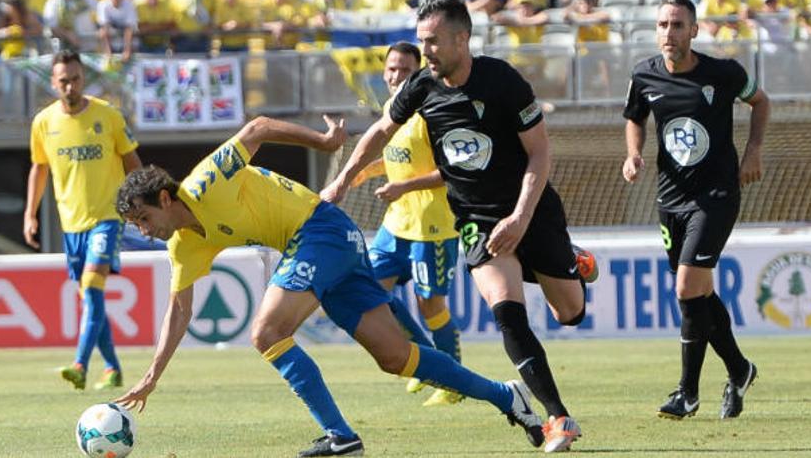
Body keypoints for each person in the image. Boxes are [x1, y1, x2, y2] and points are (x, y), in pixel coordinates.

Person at [113, 116, 545, 457]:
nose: (145, 231)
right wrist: (152, 376)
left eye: (144, 220)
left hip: (319, 230)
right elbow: (179, 311)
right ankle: (507, 396)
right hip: (326, 243)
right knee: (395, 357)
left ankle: (340, 435)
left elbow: (258, 127)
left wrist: (325, 143)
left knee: (267, 333)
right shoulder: (184, 247)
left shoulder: (205, 180)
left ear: (165, 199)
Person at [322, 0, 590, 453]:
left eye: (433, 41)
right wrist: (343, 180)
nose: (425, 51)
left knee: (570, 313)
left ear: (462, 39)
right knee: (507, 312)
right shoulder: (421, 87)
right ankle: (558, 418)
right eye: (422, 40)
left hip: (530, 209)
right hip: (477, 220)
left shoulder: (502, 81)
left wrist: (521, 218)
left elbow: (540, 152)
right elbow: (380, 131)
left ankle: (574, 262)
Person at [622, 0, 767, 420]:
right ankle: (739, 369)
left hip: (716, 195)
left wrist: (754, 151)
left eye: (678, 25)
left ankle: (687, 393)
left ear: (695, 30)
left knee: (687, 287)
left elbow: (761, 101)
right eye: (664, 25)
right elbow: (635, 116)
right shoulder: (643, 75)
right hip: (671, 199)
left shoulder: (723, 73)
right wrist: (633, 153)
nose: (670, 32)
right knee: (698, 293)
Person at [350, 41, 464, 407]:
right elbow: (404, 158)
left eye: (403, 70)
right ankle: (425, 362)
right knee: (367, 289)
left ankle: (454, 382)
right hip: (395, 224)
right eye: (391, 69)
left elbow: (450, 170)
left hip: (431, 225)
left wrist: (404, 186)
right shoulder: (390, 109)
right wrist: (374, 169)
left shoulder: (432, 112)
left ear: (416, 73)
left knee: (429, 304)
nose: (396, 76)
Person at [23, 50, 142, 391]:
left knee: (91, 288)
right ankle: (113, 368)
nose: (70, 86)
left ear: (83, 79)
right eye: (64, 80)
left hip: (107, 218)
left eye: (75, 79)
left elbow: (132, 161)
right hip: (71, 224)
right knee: (91, 298)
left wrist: (137, 203)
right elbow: (39, 167)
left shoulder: (108, 116)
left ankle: (79, 364)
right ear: (53, 82)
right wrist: (30, 213)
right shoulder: (44, 122)